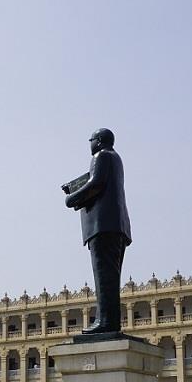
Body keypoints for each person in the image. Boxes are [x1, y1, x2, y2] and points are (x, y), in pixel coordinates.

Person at [62, 128, 132, 334]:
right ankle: (108, 321)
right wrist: (74, 185)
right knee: (110, 277)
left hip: (103, 225)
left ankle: (105, 322)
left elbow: (97, 183)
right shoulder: (115, 159)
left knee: (104, 277)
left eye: (91, 140)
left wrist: (72, 198)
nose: (90, 144)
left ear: (99, 141)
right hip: (116, 225)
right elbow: (96, 179)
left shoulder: (101, 155)